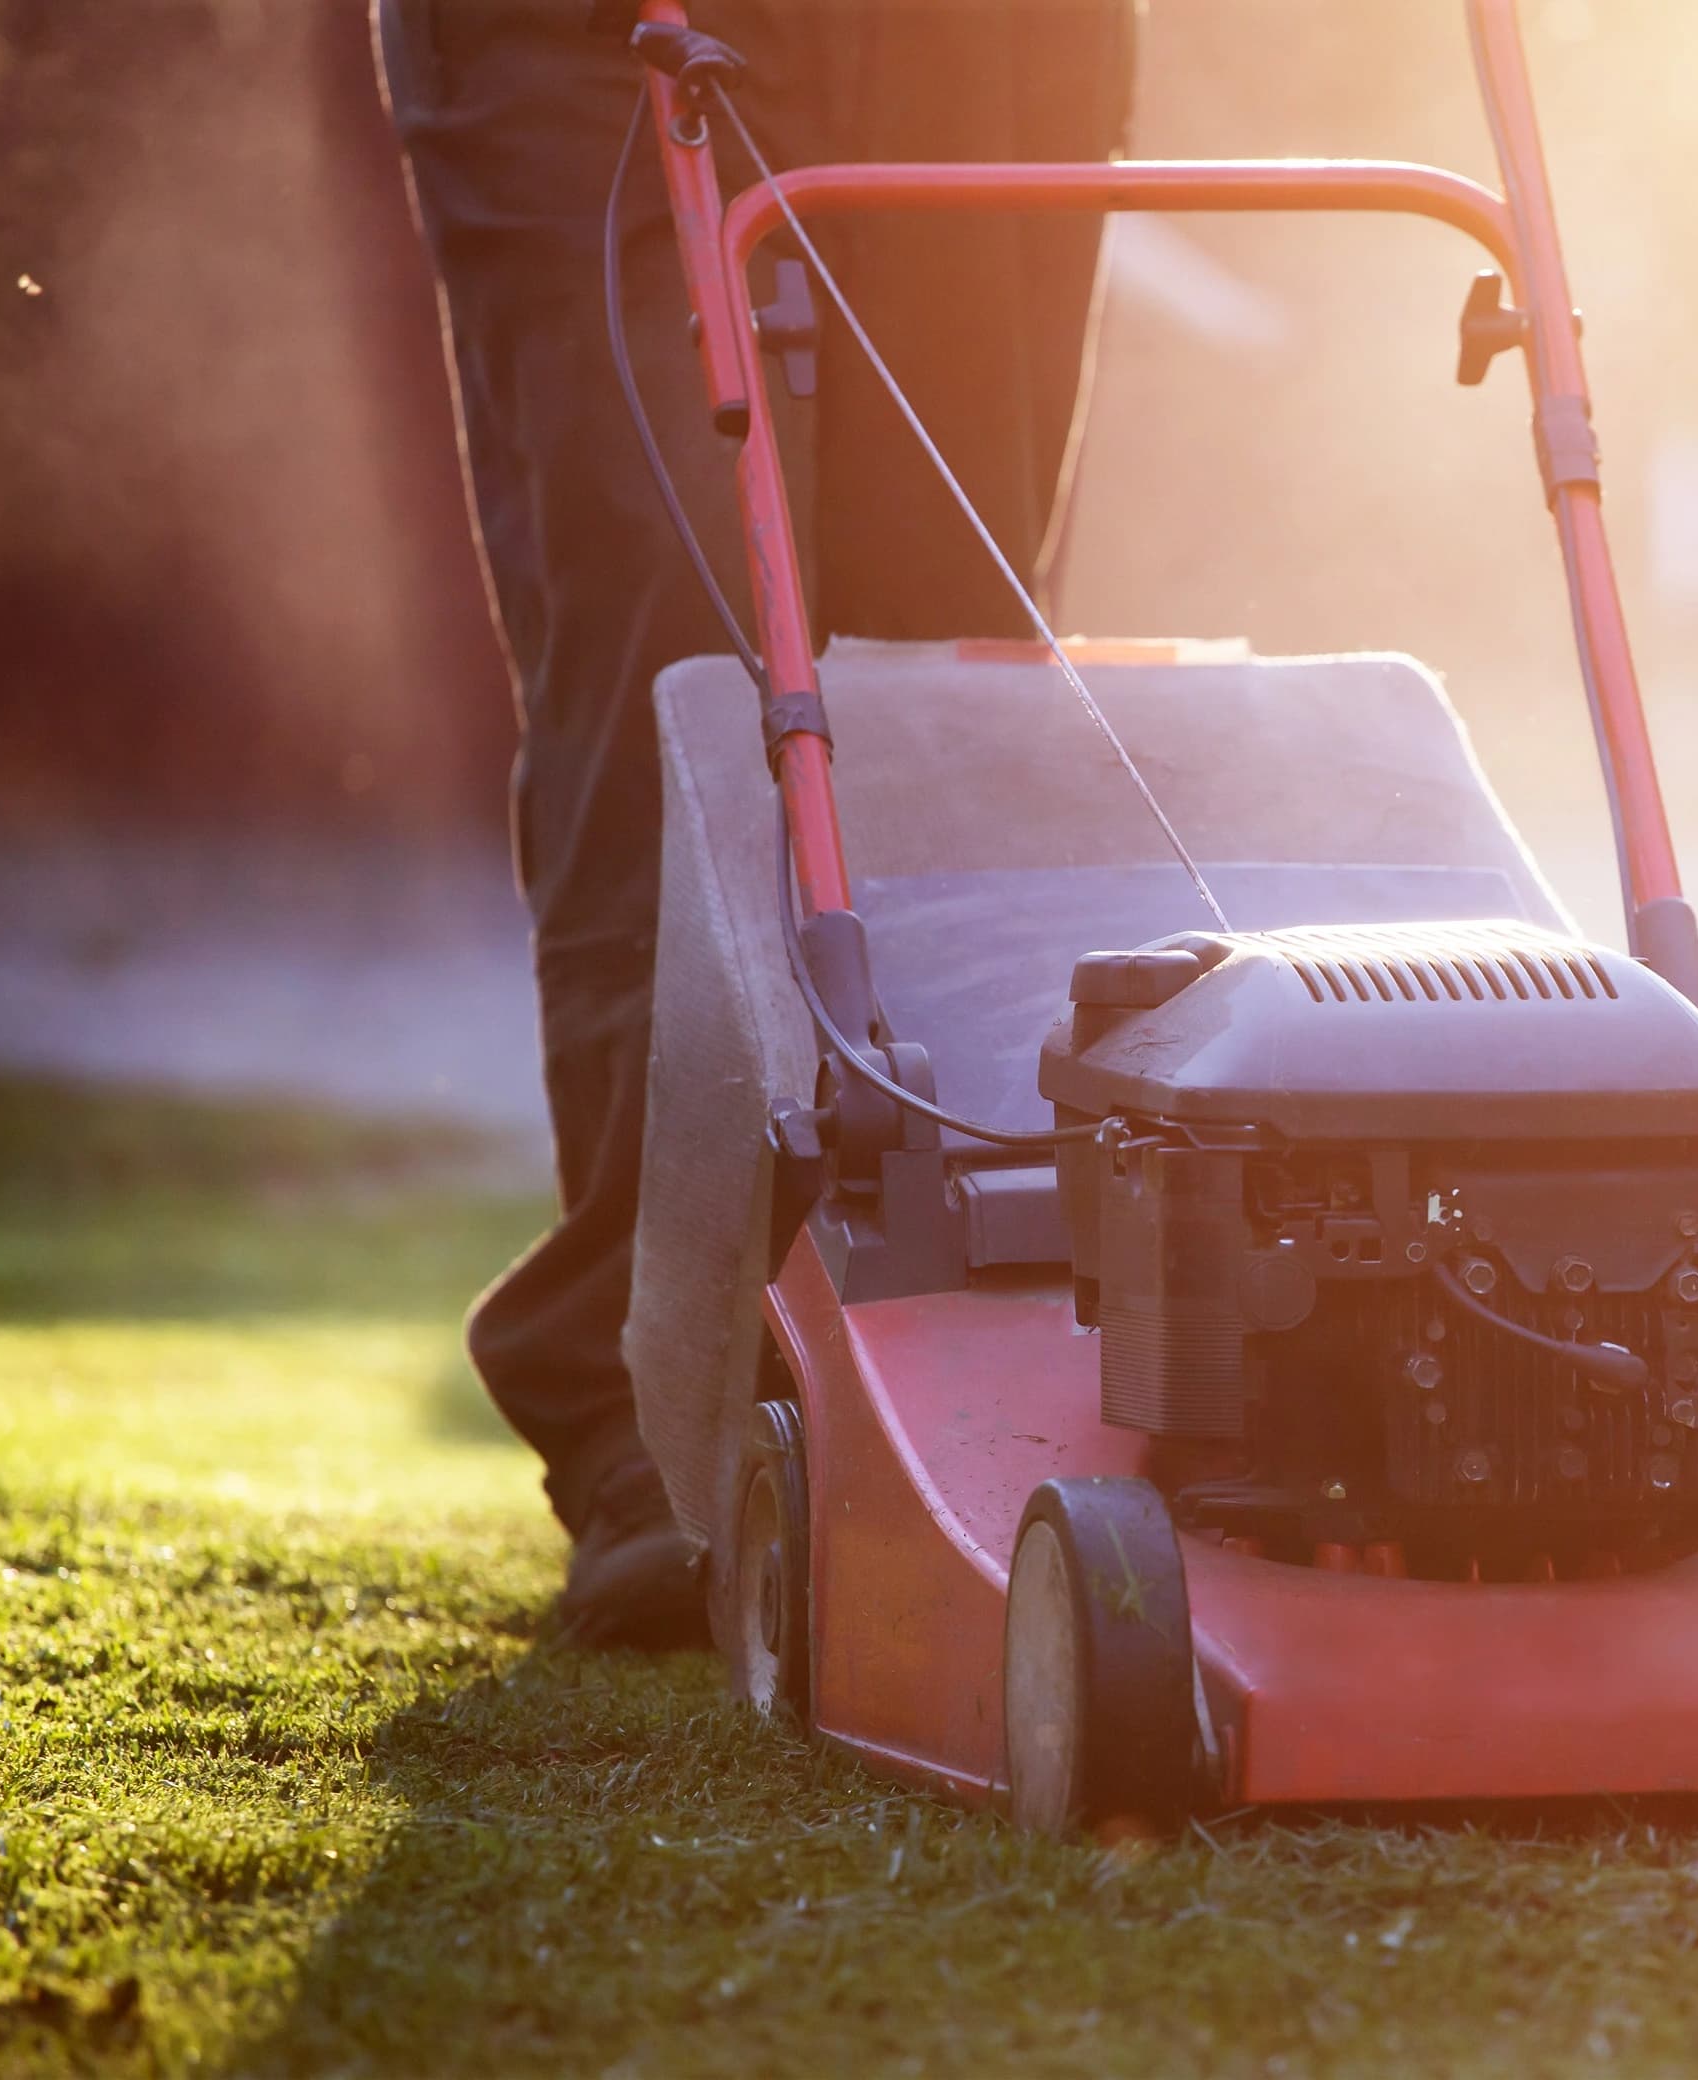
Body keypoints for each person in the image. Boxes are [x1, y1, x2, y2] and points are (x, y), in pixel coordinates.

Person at [374, 0, 1136, 1645]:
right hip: (594, 37)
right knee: (688, 673)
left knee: (957, 674)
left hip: (982, 39)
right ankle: (657, 1420)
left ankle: (955, 1384)